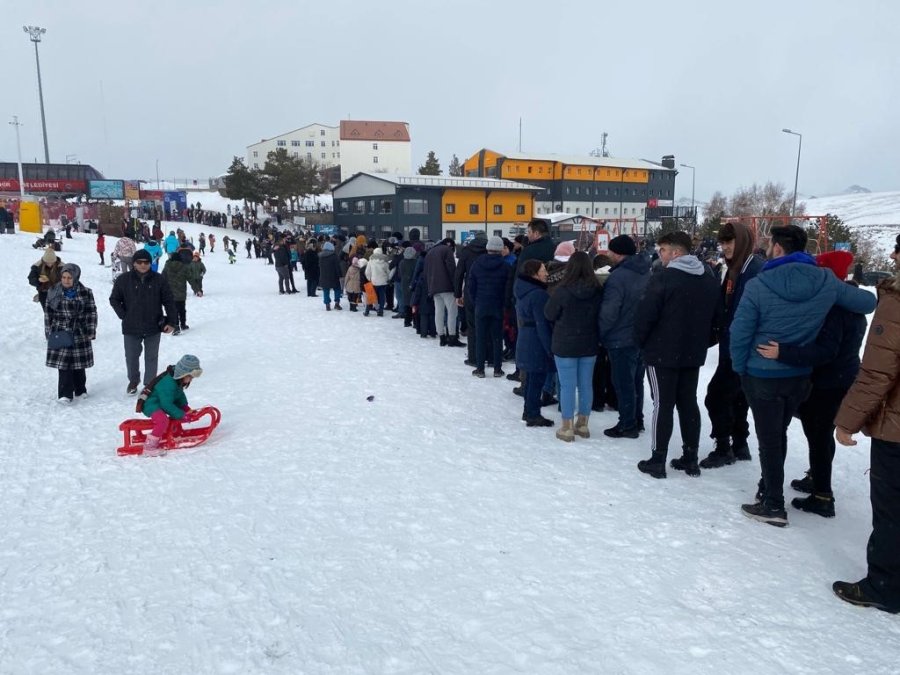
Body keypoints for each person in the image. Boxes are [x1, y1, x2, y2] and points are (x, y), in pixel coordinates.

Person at [729, 224, 877, 527]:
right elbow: (868, 303)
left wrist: (740, 367)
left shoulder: (759, 283)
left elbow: (740, 332)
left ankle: (773, 505)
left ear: (778, 248)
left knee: (770, 439)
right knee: (778, 433)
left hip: (762, 372)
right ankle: (768, 489)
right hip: (799, 375)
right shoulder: (825, 281)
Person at [755, 250, 866, 517]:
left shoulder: (835, 309)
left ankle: (822, 496)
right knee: (820, 434)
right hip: (841, 377)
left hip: (827, 383)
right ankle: (816, 479)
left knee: (817, 437)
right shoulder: (852, 304)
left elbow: (826, 351)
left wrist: (784, 352)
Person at [832, 235, 900, 613]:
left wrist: (847, 421)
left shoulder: (896, 301)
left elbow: (877, 372)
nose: (892, 254)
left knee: (892, 510)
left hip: (896, 429)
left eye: (899, 248)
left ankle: (885, 587)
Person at [633, 231, 722, 479]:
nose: (659, 254)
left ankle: (658, 459)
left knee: (663, 404)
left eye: (662, 250)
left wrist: (641, 342)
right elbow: (718, 317)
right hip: (692, 352)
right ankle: (690, 458)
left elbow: (645, 315)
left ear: (675, 252)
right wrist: (704, 342)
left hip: (662, 351)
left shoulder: (663, 277)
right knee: (687, 402)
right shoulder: (708, 277)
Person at [700, 222, 764, 468]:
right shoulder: (735, 269)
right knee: (737, 398)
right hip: (734, 347)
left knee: (715, 397)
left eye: (730, 242)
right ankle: (739, 443)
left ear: (743, 242)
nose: (725, 247)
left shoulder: (753, 271)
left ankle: (724, 447)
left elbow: (746, 313)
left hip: (742, 349)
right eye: (723, 243)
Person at [543, 251, 603, 442]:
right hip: (589, 343)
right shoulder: (598, 290)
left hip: (565, 343)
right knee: (586, 384)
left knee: (568, 385)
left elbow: (549, 314)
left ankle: (567, 427)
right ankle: (583, 424)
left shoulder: (563, 290)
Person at [598, 234, 651, 438]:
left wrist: (600, 333)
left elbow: (610, 311)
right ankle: (637, 419)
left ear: (618, 254)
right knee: (636, 380)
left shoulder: (618, 278)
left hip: (620, 337)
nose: (609, 254)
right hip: (640, 336)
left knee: (622, 382)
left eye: (611, 251)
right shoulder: (645, 271)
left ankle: (627, 424)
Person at [109, 248, 177, 395]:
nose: (143, 265)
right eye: (139, 262)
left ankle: (149, 385)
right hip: (131, 326)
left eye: (146, 262)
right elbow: (114, 299)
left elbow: (169, 301)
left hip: (153, 325)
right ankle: (133, 381)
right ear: (134, 263)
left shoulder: (159, 279)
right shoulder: (123, 280)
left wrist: (172, 322)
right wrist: (123, 315)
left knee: (151, 357)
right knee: (132, 356)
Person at [44, 263, 97, 403]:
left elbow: (91, 312)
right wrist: (49, 331)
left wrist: (91, 330)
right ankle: (65, 394)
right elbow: (48, 313)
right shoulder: (54, 291)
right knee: (64, 365)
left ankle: (80, 389)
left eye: (69, 277)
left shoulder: (86, 292)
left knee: (78, 364)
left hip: (80, 332)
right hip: (60, 330)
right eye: (64, 277)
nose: (66, 280)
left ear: (76, 278)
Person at [514, 259, 554, 427]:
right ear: (534, 274)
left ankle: (528, 410)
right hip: (536, 341)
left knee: (530, 377)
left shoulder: (523, 289)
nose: (546, 273)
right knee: (536, 379)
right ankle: (533, 414)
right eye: (543, 270)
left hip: (525, 337)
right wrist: (550, 348)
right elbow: (542, 324)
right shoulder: (539, 294)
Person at [139, 354, 203, 457]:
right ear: (183, 373)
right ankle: (149, 448)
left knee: (174, 413)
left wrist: (185, 408)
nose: (191, 380)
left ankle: (173, 431)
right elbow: (167, 405)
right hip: (150, 403)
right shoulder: (168, 384)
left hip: (160, 402)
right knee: (162, 420)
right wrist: (182, 415)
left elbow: (179, 395)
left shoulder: (176, 380)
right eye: (190, 377)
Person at [468, 236, 511, 377]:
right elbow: (508, 288)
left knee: (480, 337)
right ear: (500, 249)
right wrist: (505, 304)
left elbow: (471, 285)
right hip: (497, 305)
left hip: (481, 304)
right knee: (497, 338)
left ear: (487, 248)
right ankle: (497, 368)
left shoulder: (477, 263)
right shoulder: (505, 266)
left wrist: (476, 301)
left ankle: (480, 368)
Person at [425, 238, 462, 346]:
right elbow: (451, 269)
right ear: (451, 245)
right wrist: (456, 286)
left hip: (434, 287)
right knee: (452, 312)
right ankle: (452, 337)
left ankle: (441, 337)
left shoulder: (430, 252)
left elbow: (426, 272)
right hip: (447, 287)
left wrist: (429, 287)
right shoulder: (447, 250)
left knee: (439, 312)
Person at [162, 248, 202, 334]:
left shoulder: (167, 267)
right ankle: (183, 324)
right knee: (182, 309)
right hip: (181, 293)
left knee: (173, 310)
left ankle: (176, 326)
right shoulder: (184, 267)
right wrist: (197, 290)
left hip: (170, 294)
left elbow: (162, 279)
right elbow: (191, 279)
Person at [318, 241, 343, 310]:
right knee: (337, 289)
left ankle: (327, 304)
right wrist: (340, 275)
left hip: (324, 276)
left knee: (326, 290)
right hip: (333, 276)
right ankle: (337, 303)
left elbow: (319, 266)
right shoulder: (334, 256)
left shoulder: (320, 256)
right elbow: (337, 267)